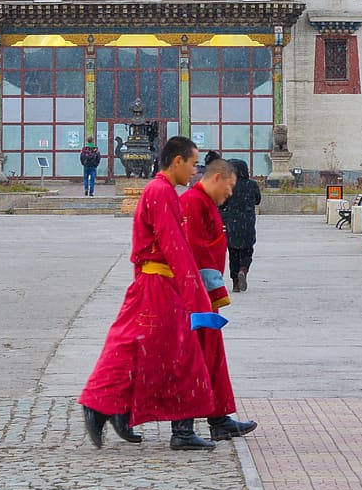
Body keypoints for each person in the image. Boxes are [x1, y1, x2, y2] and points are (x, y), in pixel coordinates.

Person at [80, 136, 217, 452]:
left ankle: (110, 407)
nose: (196, 171)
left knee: (137, 347)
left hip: (158, 283)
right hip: (158, 286)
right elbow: (174, 245)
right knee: (182, 354)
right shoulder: (160, 192)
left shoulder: (162, 191)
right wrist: (194, 292)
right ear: (177, 161)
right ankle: (176, 428)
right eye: (193, 164)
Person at [181, 158, 258, 441]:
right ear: (216, 178)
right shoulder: (193, 202)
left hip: (205, 293)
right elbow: (194, 250)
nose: (230, 194)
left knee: (212, 357)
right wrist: (211, 291)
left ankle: (219, 416)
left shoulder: (205, 203)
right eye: (229, 187)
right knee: (196, 356)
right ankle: (184, 427)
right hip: (197, 294)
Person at [220, 158, 261, 291]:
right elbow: (257, 200)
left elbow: (222, 203)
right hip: (247, 222)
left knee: (233, 253)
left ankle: (235, 283)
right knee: (247, 250)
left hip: (231, 223)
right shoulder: (252, 184)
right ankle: (243, 270)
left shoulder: (228, 185)